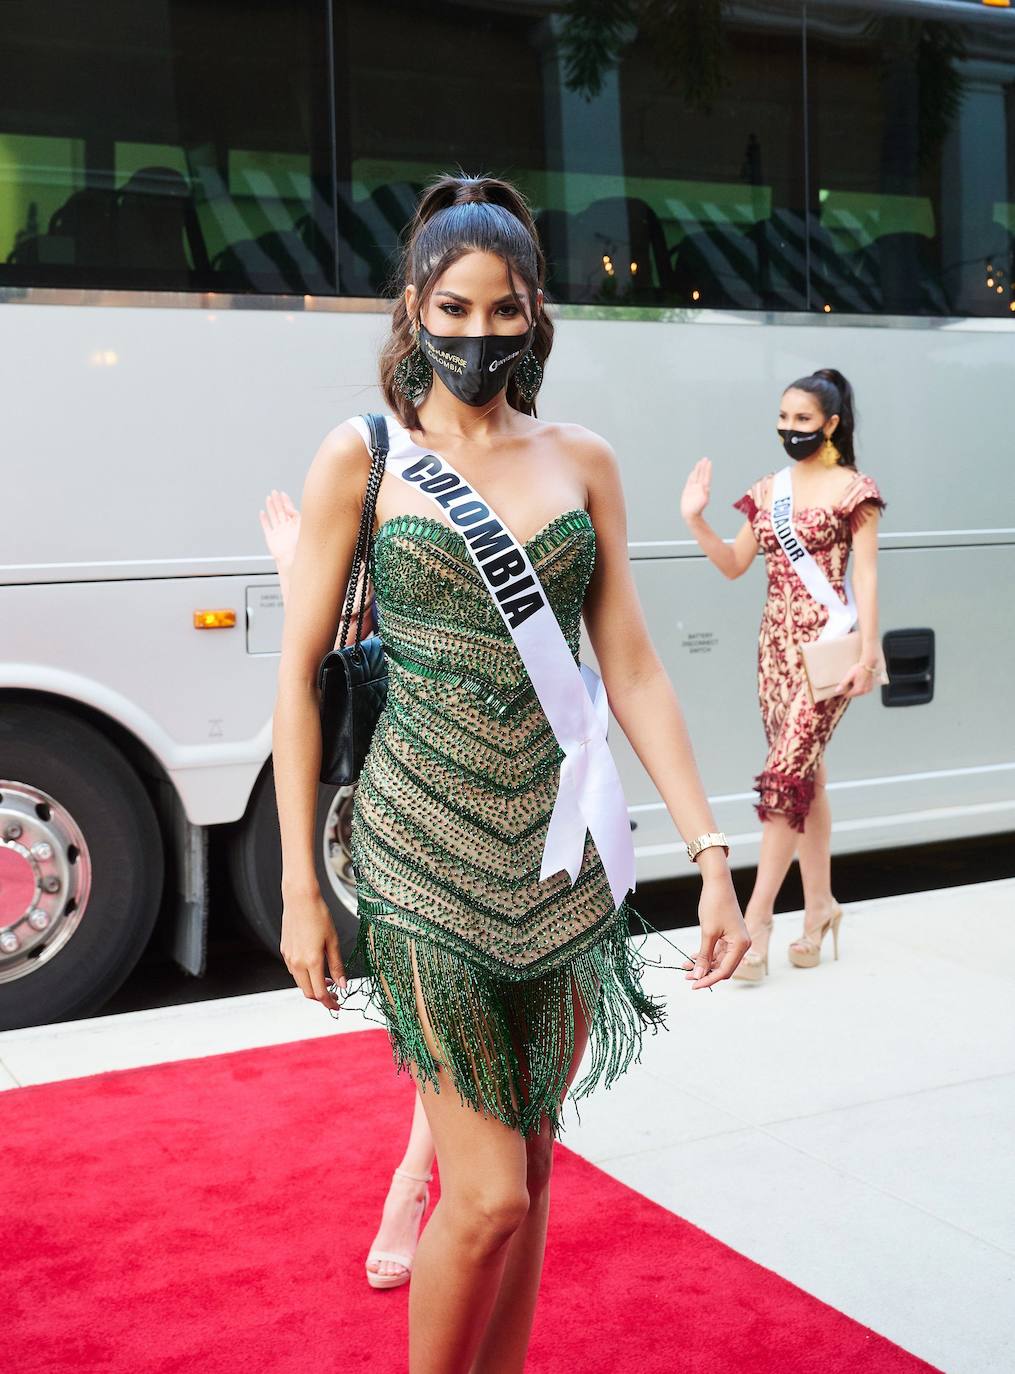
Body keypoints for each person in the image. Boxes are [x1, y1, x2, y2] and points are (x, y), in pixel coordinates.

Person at [272, 171, 748, 1374]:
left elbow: (631, 670)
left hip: (558, 852)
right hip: (420, 847)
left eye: (504, 310)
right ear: (413, 311)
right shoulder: (364, 458)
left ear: (536, 313)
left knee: (531, 1168)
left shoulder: (581, 457)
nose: (478, 335)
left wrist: (710, 856)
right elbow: (293, 682)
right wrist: (296, 892)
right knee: (481, 1194)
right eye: (454, 310)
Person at [259, 489, 437, 1289]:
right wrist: (300, 571)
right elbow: (327, 660)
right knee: (440, 1013)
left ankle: (413, 1188)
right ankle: (415, 1187)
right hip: (406, 805)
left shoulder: (525, 470)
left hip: (524, 791)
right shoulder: (373, 484)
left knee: (466, 1024)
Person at [680, 369, 886, 981]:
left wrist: (868, 652)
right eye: (783, 418)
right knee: (806, 780)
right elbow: (735, 564)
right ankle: (820, 906)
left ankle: (757, 922)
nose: (789, 429)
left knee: (781, 781)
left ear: (831, 423)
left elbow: (867, 576)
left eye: (802, 419)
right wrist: (696, 520)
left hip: (828, 653)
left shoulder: (856, 491)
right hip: (773, 654)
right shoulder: (769, 490)